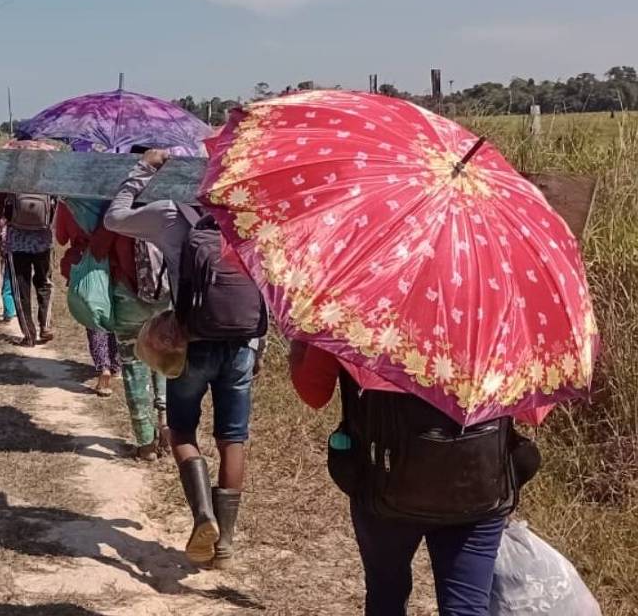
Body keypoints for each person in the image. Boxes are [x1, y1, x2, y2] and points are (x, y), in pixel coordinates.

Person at [290, 340, 540, 616]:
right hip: (481, 486)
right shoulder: (505, 312)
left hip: (384, 480)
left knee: (386, 595)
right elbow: (532, 411)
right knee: (466, 608)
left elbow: (314, 392)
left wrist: (302, 345)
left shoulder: (358, 305)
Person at [105, 148, 260, 568]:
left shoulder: (170, 214)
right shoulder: (253, 215)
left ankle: (203, 513)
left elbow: (114, 217)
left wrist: (145, 169)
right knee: (233, 437)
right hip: (242, 345)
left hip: (190, 342)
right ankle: (224, 543)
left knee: (182, 432)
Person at [53, 199, 169, 460]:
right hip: (164, 291)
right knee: (164, 359)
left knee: (133, 365)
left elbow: (65, 237)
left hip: (124, 290)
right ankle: (167, 424)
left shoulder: (83, 200)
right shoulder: (166, 199)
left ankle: (146, 443)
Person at [0, 190, 56, 347]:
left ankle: (29, 335)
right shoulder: (48, 171)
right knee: (44, 283)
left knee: (20, 290)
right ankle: (45, 325)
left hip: (16, 240)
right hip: (43, 239)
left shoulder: (10, 172)